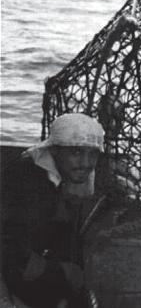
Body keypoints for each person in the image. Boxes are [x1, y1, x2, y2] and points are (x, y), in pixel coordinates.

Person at [1, 113, 105, 308]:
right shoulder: (32, 186)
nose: (86, 163)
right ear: (55, 151)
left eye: (93, 154)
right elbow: (13, 253)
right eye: (76, 153)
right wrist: (63, 274)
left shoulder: (39, 168)